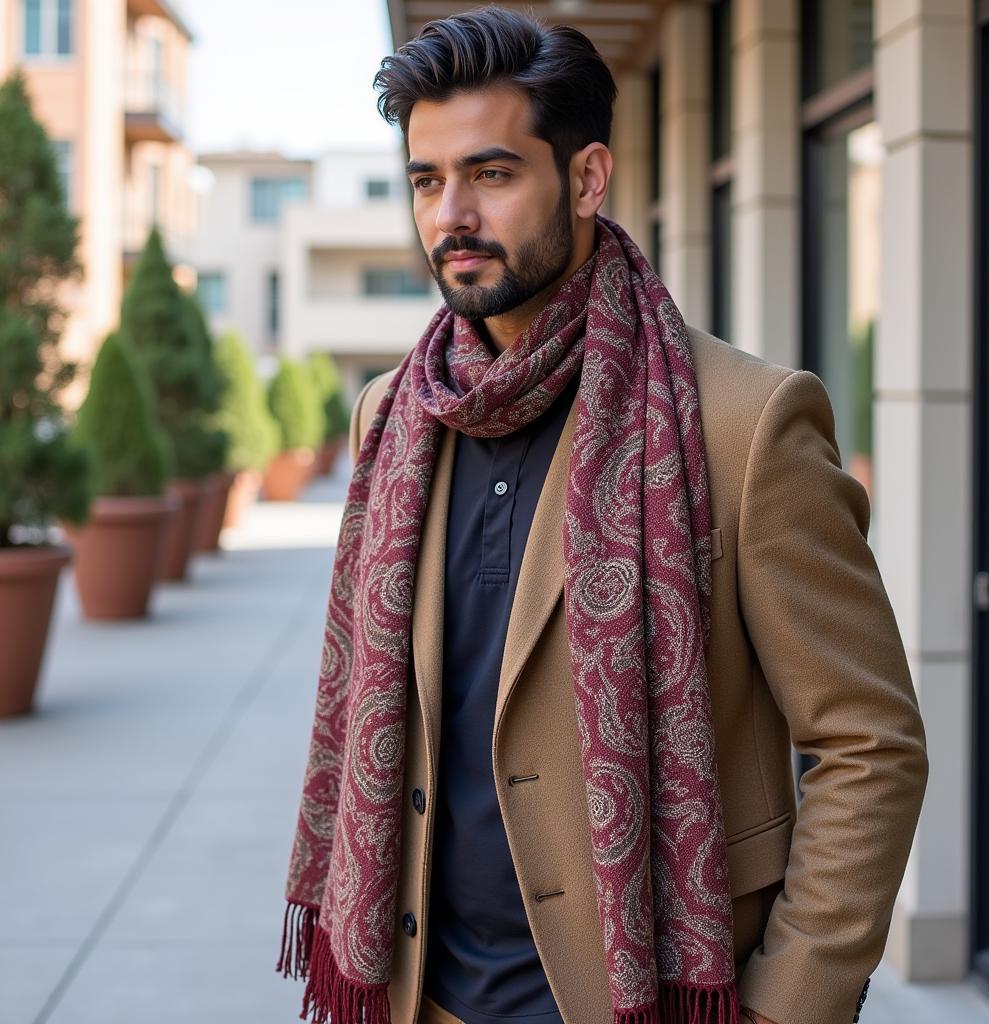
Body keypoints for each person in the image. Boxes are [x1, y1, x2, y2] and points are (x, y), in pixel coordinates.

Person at [276, 8, 928, 1024]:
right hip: (423, 996)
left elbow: (869, 743)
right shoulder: (389, 420)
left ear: (584, 179)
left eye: (491, 174)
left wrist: (786, 1005)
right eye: (426, 179)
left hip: (644, 998)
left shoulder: (744, 422)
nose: (451, 214)